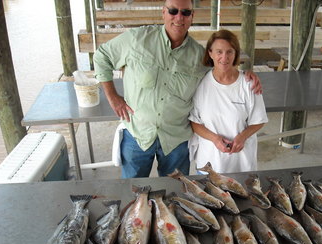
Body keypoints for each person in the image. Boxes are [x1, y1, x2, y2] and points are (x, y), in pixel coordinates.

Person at [94, 0, 262, 178]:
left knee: (176, 195)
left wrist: (245, 74)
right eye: (173, 11)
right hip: (137, 135)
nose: (179, 17)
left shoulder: (199, 55)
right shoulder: (137, 39)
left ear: (192, 17)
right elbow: (101, 57)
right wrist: (113, 96)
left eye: (185, 12)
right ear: (163, 12)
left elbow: (221, 67)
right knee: (133, 193)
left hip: (176, 141)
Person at [189, 29, 268, 174]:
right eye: (219, 52)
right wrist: (215, 139)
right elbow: (195, 122)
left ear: (235, 54)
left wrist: (242, 137)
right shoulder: (200, 83)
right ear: (210, 53)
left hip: (241, 164)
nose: (224, 58)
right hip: (209, 163)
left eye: (229, 52)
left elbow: (259, 120)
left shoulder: (248, 83)